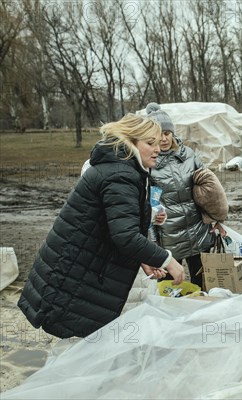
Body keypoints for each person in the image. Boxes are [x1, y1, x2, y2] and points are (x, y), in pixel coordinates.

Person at [17, 114, 186, 339]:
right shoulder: (120, 175)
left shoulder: (123, 169)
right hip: (74, 277)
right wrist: (168, 260)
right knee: (77, 354)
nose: (157, 149)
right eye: (150, 143)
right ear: (131, 142)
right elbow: (125, 236)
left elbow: (116, 226)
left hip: (76, 272)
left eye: (158, 143)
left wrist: (143, 257)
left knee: (80, 350)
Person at [145, 103, 227, 287]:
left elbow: (208, 189)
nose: (164, 139)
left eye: (167, 133)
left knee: (203, 284)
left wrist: (216, 218)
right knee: (172, 288)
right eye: (158, 135)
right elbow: (147, 206)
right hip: (168, 238)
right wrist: (153, 244)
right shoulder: (148, 162)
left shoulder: (188, 155)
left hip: (198, 231)